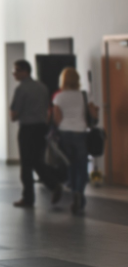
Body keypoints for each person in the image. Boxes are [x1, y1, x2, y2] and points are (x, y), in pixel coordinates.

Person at [10, 60, 62, 208]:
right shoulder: (43, 87)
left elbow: (14, 114)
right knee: (37, 161)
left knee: (26, 164)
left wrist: (15, 114)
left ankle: (28, 198)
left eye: (16, 71)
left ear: (25, 71)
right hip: (41, 128)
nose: (14, 74)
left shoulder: (21, 89)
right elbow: (47, 108)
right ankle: (53, 185)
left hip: (27, 129)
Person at [53, 67, 99, 213]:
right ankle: (79, 192)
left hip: (65, 133)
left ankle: (73, 192)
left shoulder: (59, 97)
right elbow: (94, 114)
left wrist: (63, 125)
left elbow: (57, 118)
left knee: (70, 165)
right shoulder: (84, 95)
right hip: (81, 132)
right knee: (81, 166)